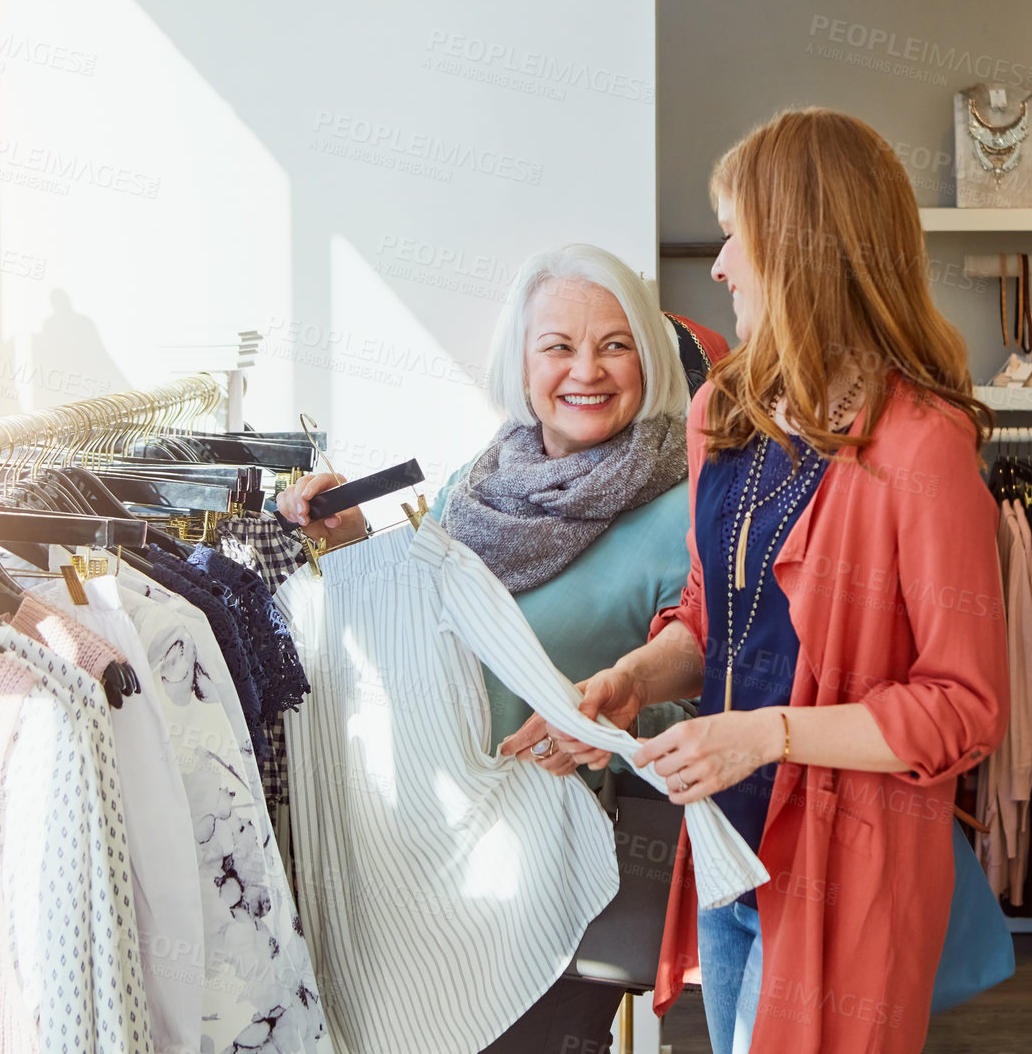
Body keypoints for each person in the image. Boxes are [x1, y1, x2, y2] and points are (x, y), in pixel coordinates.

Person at [525, 108, 1010, 1053]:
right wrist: (633, 680)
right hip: (727, 850)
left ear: (797, 248)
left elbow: (965, 707)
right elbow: (714, 618)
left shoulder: (922, 446)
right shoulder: (725, 413)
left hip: (849, 867)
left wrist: (767, 736)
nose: (718, 266)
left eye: (734, 234)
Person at [277, 242, 720, 1054]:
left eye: (614, 345)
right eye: (558, 346)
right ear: (521, 366)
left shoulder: (687, 509)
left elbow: (718, 699)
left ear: (649, 360)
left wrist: (605, 717)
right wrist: (348, 544)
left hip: (572, 876)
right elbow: (425, 629)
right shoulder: (476, 489)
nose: (586, 368)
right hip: (434, 870)